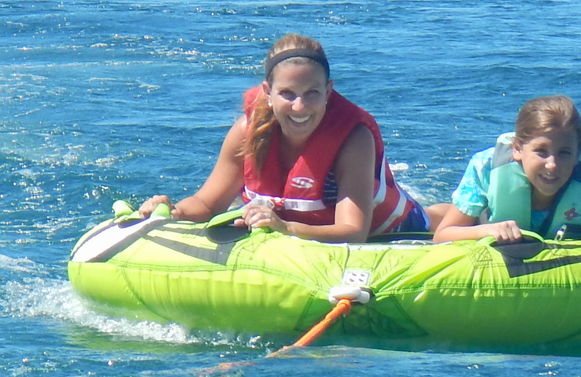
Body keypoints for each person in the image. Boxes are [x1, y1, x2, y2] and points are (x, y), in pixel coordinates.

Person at [139, 33, 448, 243]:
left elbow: (353, 232)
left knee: (439, 221)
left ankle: (466, 210)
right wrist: (172, 211)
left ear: (328, 92)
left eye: (311, 93)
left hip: (392, 229)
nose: (299, 107)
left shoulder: (353, 139)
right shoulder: (246, 133)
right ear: (267, 94)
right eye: (287, 94)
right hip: (295, 227)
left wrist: (285, 228)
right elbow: (207, 203)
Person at [433, 94, 581, 244]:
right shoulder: (487, 168)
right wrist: (486, 231)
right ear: (517, 149)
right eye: (541, 151)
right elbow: (442, 235)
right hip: (482, 218)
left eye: (564, 152)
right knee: (439, 217)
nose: (552, 164)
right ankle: (416, 213)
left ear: (577, 155)